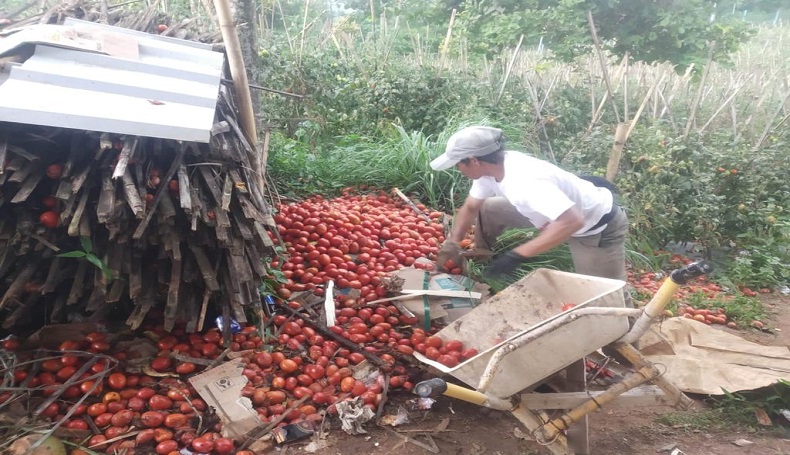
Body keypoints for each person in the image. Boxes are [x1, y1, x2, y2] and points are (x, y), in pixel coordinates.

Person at [431, 126, 631, 308]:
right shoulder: (490, 170)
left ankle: (629, 330)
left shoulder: (526, 182)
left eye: (458, 164)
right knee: (489, 207)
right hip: (552, 212)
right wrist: (453, 242)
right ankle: (483, 252)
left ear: (474, 161)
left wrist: (518, 255)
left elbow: (572, 221)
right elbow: (471, 207)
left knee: (606, 293)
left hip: (594, 226)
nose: (458, 169)